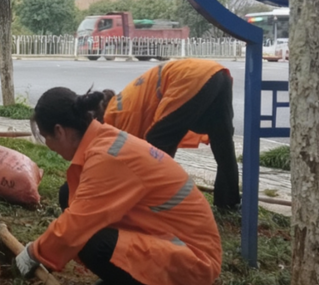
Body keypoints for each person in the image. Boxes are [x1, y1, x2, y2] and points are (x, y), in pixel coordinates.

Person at [15, 87, 222, 285]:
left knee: (90, 239)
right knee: (70, 194)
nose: (49, 146)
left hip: (192, 257)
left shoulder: (107, 157)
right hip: (170, 238)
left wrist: (35, 253)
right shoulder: (103, 140)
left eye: (47, 137)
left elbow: (76, 225)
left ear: (60, 131)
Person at [100, 58, 239, 211]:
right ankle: (228, 202)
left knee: (156, 144)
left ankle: (154, 200)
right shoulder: (122, 101)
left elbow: (133, 154)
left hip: (191, 78)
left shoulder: (114, 115)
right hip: (216, 73)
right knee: (222, 140)